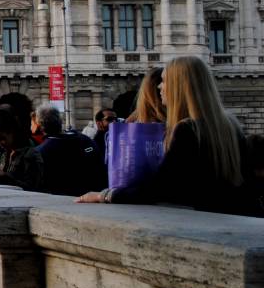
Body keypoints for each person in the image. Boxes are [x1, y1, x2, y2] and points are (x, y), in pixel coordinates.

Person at [78, 56, 258, 215]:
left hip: (201, 223)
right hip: (233, 217)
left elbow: (160, 188)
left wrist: (105, 195)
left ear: (180, 86)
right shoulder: (231, 125)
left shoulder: (187, 129)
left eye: (164, 81)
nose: (159, 86)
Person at [34, 104, 102, 196]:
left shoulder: (39, 152)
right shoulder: (85, 140)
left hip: (61, 199)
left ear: (38, 125)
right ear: (60, 121)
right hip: (92, 196)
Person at [0, 104, 44, 191]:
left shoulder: (31, 155)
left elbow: (32, 188)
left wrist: (2, 175)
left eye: (2, 139)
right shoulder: (5, 154)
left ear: (13, 132)